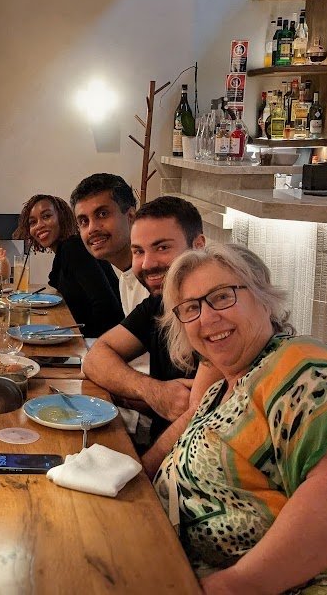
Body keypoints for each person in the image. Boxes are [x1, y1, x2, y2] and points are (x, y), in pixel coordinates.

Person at [156, 243, 327, 594]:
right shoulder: (223, 388)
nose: (207, 318)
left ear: (264, 299)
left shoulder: (300, 364)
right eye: (191, 308)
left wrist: (231, 586)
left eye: (222, 297)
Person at [82, 196, 220, 464]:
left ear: (198, 245)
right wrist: (152, 391)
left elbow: (195, 418)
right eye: (138, 251)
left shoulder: (215, 313)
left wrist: (141, 475)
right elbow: (96, 357)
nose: (147, 264)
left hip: (191, 467)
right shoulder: (159, 303)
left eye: (162, 247)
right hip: (161, 455)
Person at [12, 194, 123, 337]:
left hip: (102, 339)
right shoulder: (64, 251)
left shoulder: (74, 248)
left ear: (62, 218)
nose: (39, 225)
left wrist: (80, 341)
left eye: (46, 216)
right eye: (33, 222)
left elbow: (107, 306)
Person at [70, 173, 146, 315]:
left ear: (131, 217)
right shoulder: (125, 278)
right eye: (84, 221)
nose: (92, 229)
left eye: (102, 214)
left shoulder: (153, 280)